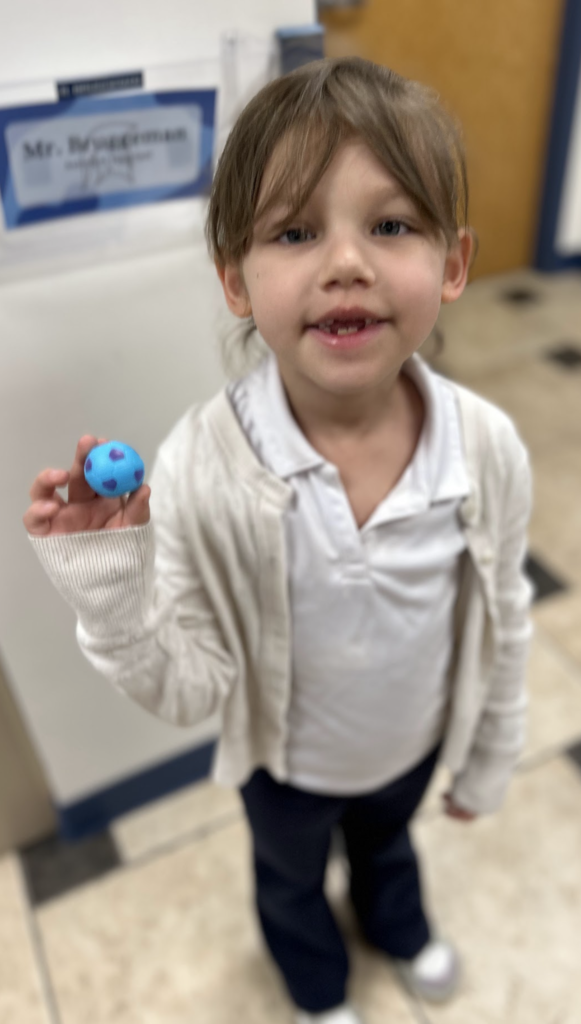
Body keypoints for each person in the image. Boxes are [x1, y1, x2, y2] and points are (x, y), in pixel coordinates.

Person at [24, 57, 533, 1024]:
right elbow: (189, 687)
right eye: (295, 231)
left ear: (454, 264)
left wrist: (489, 754)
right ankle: (315, 985)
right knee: (290, 882)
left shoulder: (489, 450)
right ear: (235, 281)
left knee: (390, 846)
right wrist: (111, 586)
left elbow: (504, 613)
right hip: (284, 770)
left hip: (413, 739)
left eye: (390, 226)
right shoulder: (200, 467)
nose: (346, 262)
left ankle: (399, 924)